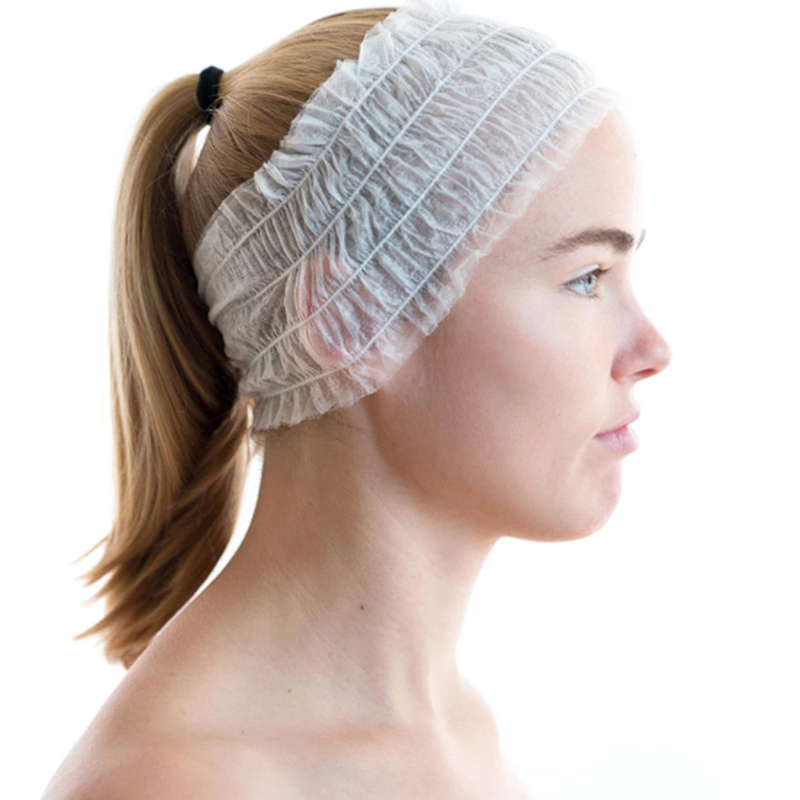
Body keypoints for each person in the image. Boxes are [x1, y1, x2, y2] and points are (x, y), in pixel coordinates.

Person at [41, 0, 671, 796]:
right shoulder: (180, 783)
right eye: (587, 278)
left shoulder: (460, 731)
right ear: (350, 317)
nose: (654, 350)